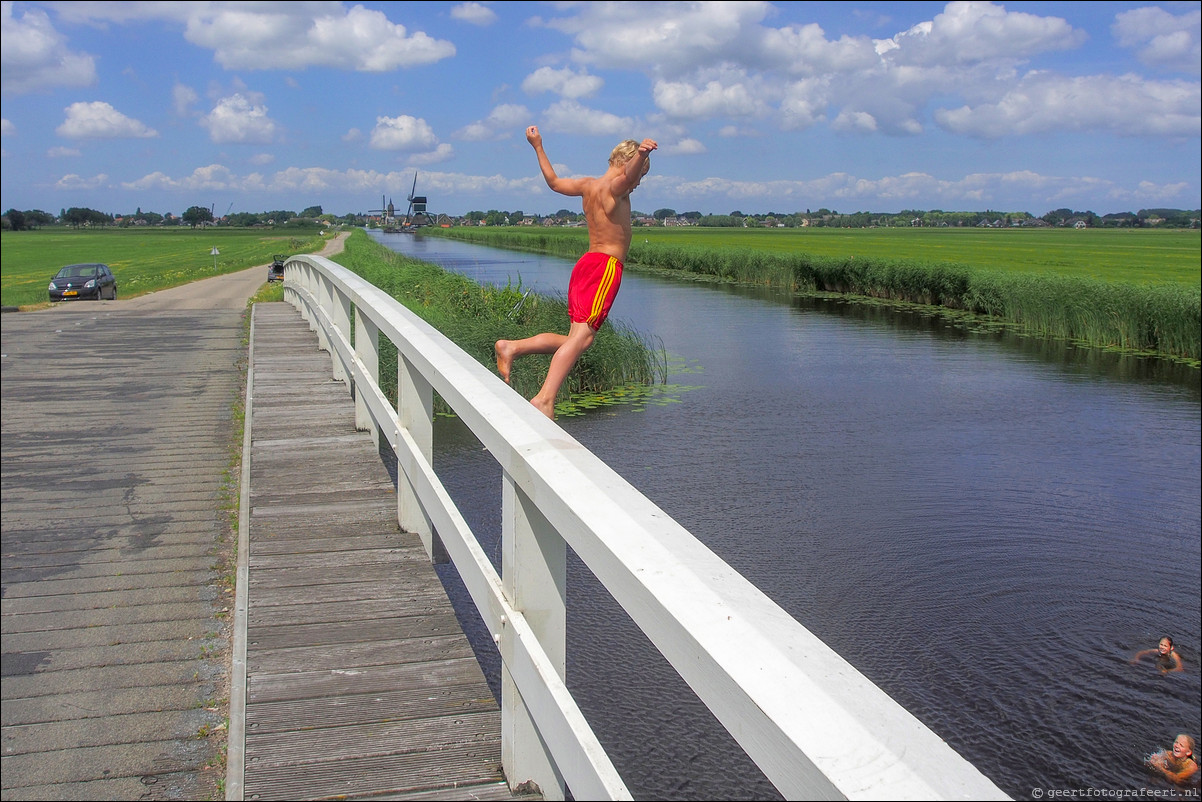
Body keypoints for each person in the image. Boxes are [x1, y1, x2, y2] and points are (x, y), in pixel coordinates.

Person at [494, 125, 657, 419]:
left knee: (575, 340)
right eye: (641, 175)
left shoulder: (587, 186)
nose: (638, 183)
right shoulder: (615, 188)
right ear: (625, 163)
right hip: (604, 269)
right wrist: (642, 155)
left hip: (585, 266)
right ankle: (544, 399)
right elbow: (628, 177)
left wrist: (538, 145)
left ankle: (512, 347)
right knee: (583, 340)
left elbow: (554, 182)